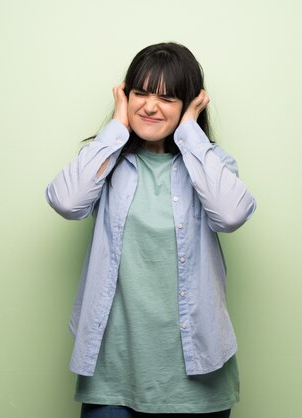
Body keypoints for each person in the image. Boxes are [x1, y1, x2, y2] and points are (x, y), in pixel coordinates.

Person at [45, 42, 256, 418]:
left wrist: (190, 133)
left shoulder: (211, 163)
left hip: (197, 369)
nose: (150, 106)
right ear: (125, 97)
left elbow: (231, 215)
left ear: (190, 104)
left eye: (167, 98)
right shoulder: (106, 161)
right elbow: (66, 202)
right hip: (113, 370)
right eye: (140, 93)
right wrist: (116, 129)